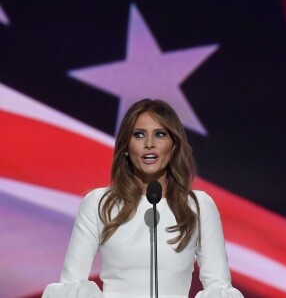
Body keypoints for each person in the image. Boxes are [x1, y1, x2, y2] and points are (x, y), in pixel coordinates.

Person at [42, 99, 244, 298]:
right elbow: (71, 285)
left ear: (174, 146)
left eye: (160, 135)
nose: (149, 144)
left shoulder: (198, 206)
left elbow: (218, 287)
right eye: (139, 135)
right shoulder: (99, 204)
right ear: (127, 147)